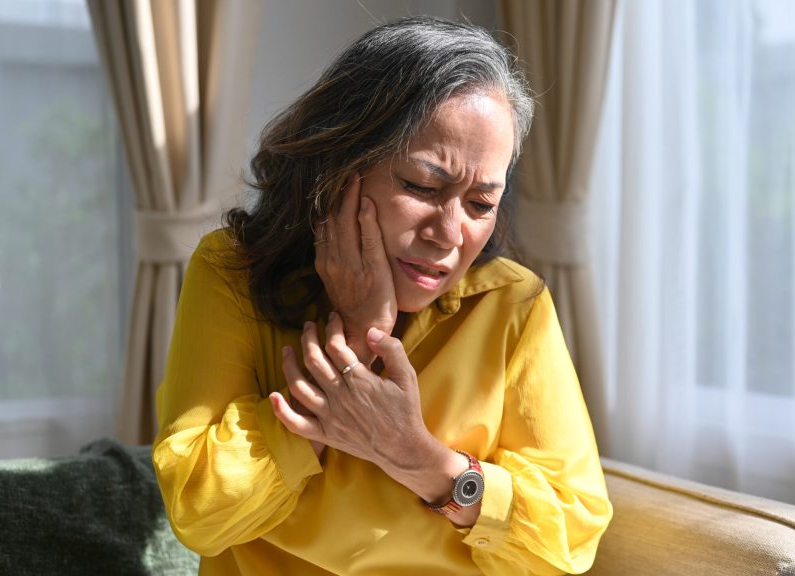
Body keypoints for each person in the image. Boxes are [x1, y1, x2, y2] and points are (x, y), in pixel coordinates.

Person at [152, 15, 612, 576]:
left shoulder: (512, 304)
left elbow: (569, 540)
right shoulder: (231, 272)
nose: (448, 233)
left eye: (480, 204)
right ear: (339, 164)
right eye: (422, 186)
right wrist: (355, 332)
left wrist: (420, 459)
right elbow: (200, 515)